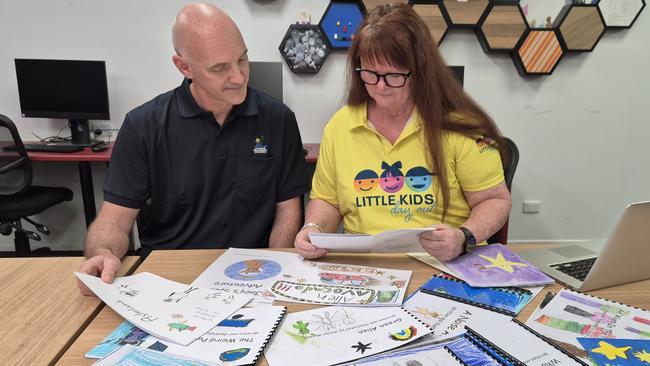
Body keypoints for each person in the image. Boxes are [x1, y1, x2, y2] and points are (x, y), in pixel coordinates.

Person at [78, 3, 309, 295]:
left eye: (242, 59)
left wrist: (275, 274)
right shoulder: (143, 126)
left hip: (254, 273)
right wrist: (103, 253)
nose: (239, 77)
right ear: (184, 67)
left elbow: (287, 212)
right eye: (220, 68)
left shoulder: (279, 119)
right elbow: (113, 221)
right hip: (170, 276)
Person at [294, 4, 511, 261]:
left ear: (421, 70)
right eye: (370, 74)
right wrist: (313, 229)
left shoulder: (460, 125)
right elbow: (328, 201)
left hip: (446, 263)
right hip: (367, 266)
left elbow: (495, 200)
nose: (381, 87)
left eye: (394, 75)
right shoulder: (340, 127)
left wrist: (464, 236)